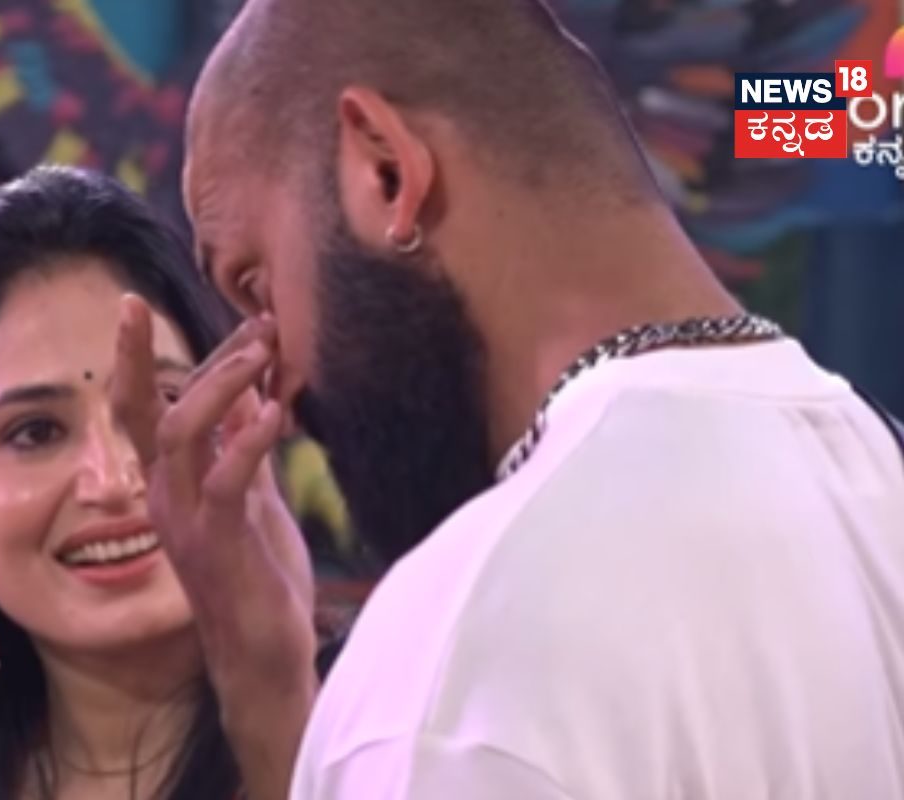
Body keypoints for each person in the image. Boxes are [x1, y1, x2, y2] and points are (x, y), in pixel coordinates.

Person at [109, 1, 904, 798]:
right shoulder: (881, 486)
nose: (272, 384)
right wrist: (267, 688)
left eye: (256, 286)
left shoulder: (463, 661)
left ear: (385, 172)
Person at [0, 165, 311, 800]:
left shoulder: (394, 716)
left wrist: (278, 717)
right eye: (35, 432)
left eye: (160, 403)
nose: (111, 480)